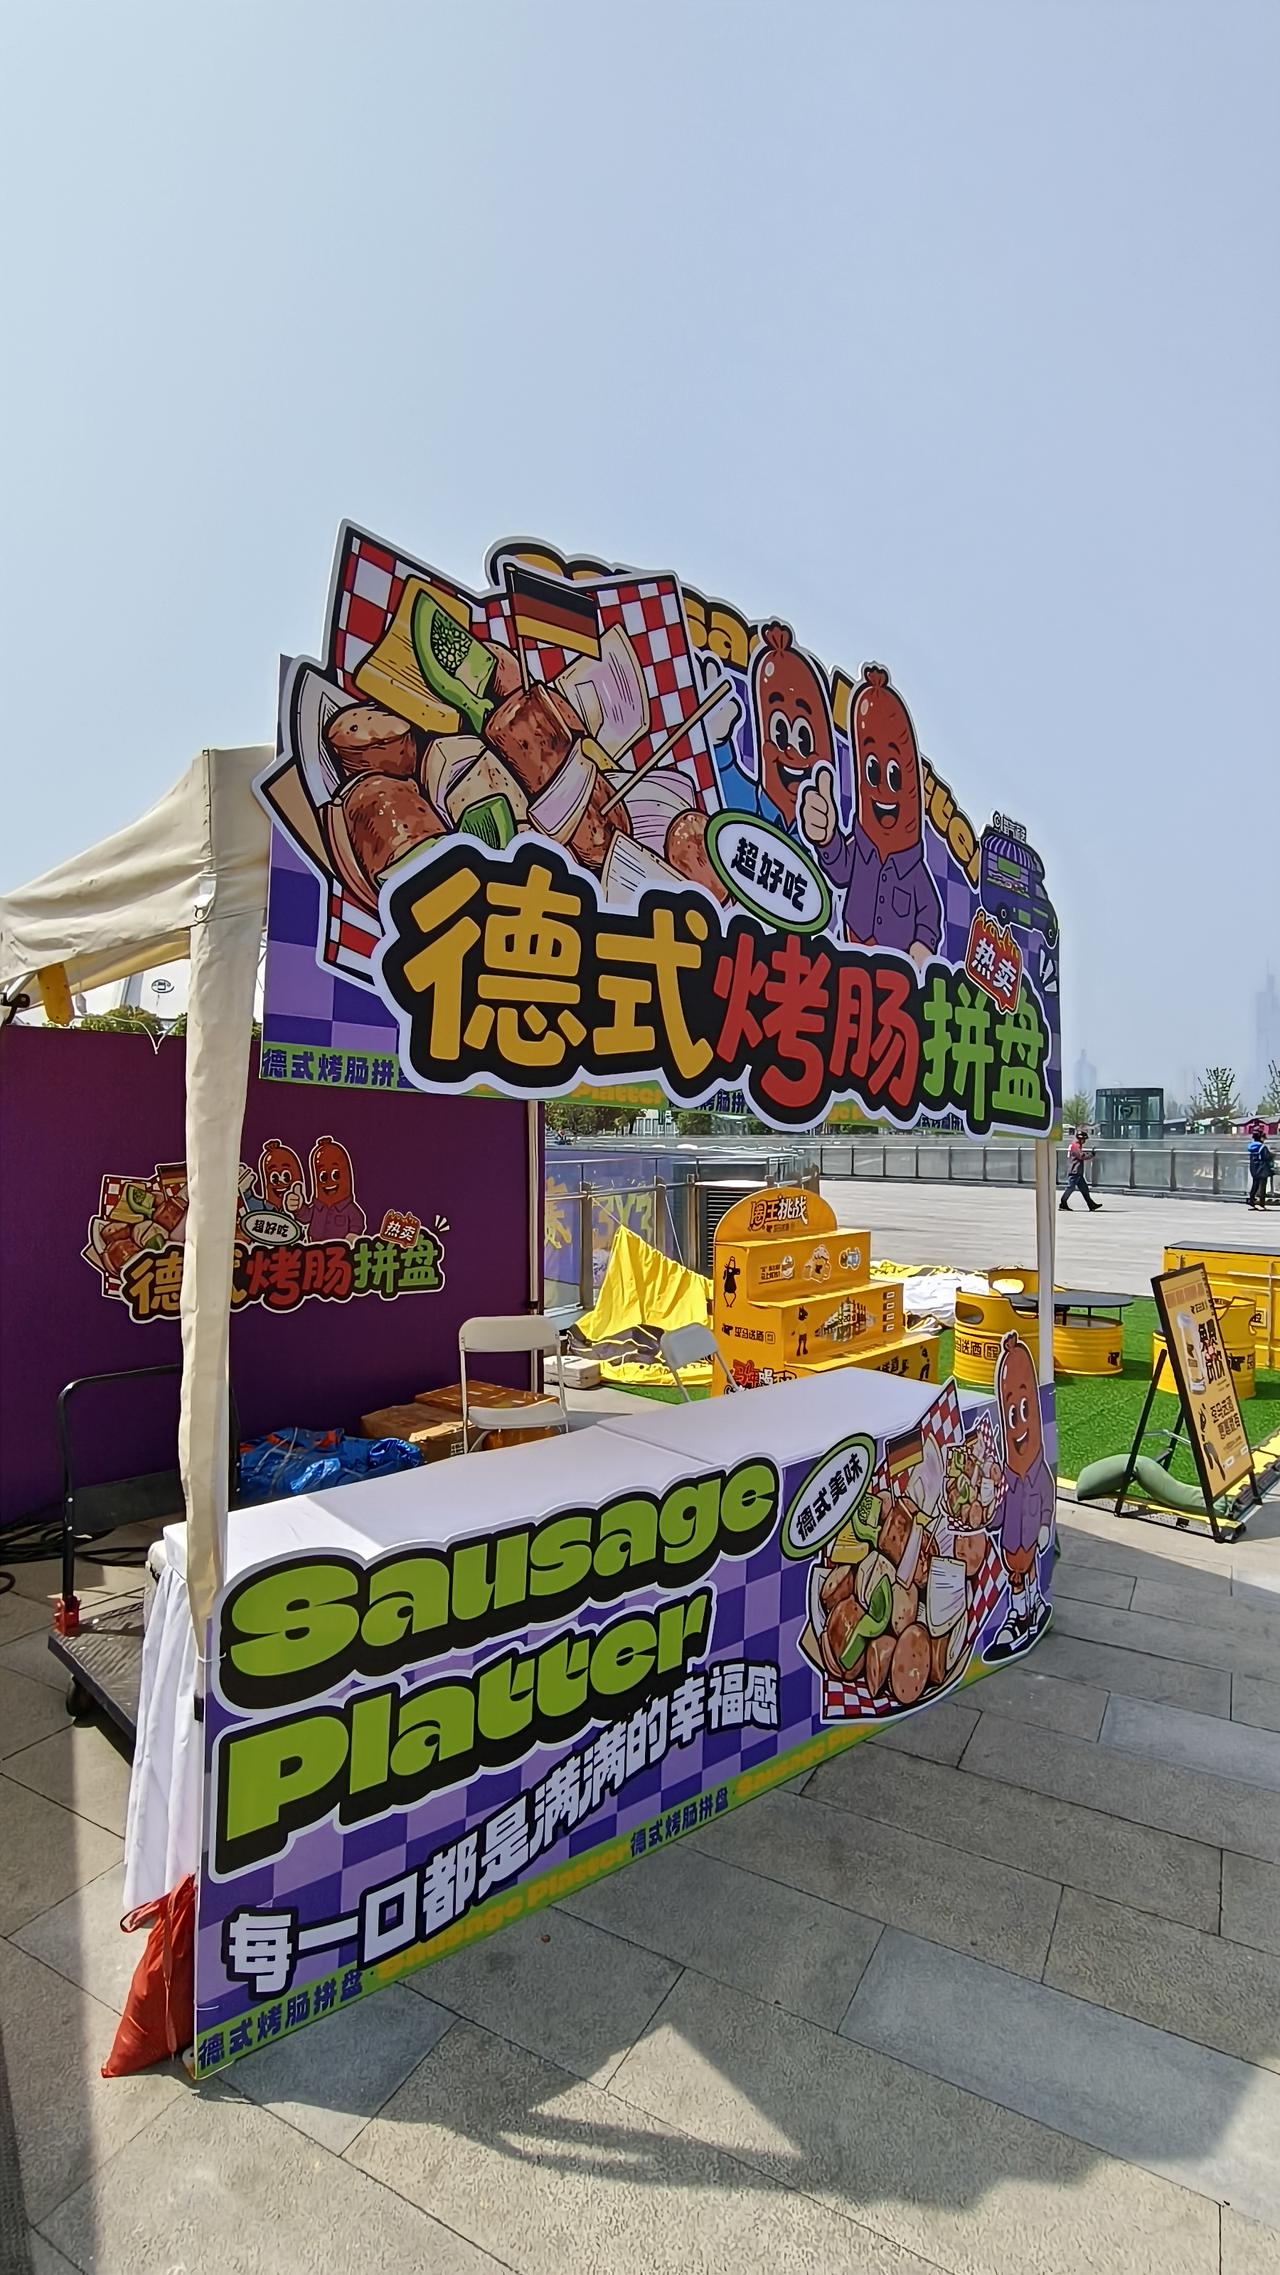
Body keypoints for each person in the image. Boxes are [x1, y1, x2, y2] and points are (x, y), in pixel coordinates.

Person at [1059, 1127, 1100, 1212]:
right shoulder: (1076, 1146)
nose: (1084, 1141)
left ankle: (1091, 1204)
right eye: (1084, 1139)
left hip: (1077, 1171)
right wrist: (1091, 1154)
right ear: (1080, 1139)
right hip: (1075, 1171)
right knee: (1070, 1187)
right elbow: (1081, 1156)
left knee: (1084, 1188)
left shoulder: (1075, 1145)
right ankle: (1063, 1203)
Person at [1247, 1124, 1275, 1210]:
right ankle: (1261, 1204)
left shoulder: (1251, 1146)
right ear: (1261, 1138)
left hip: (1254, 1168)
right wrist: (1272, 1154)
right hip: (1262, 1169)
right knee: (1262, 1187)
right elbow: (1267, 1157)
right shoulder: (1263, 1147)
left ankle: (1252, 1202)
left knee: (1255, 1185)